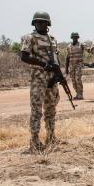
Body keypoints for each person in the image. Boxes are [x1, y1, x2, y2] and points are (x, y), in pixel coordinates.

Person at [19, 11, 60, 152]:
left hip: (51, 79)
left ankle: (51, 136)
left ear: (48, 24)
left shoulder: (52, 39)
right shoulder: (30, 38)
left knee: (51, 108)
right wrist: (43, 65)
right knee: (36, 109)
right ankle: (35, 140)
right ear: (34, 23)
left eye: (43, 22)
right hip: (38, 78)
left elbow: (56, 58)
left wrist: (57, 75)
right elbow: (24, 56)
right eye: (38, 22)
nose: (41, 24)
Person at [65, 32, 85, 100]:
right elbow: (67, 57)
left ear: (78, 37)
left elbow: (88, 50)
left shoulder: (81, 45)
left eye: (76, 37)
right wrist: (66, 69)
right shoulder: (69, 46)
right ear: (71, 38)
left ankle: (80, 94)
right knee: (73, 80)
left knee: (77, 78)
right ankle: (77, 93)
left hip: (79, 64)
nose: (75, 38)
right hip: (71, 65)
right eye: (73, 37)